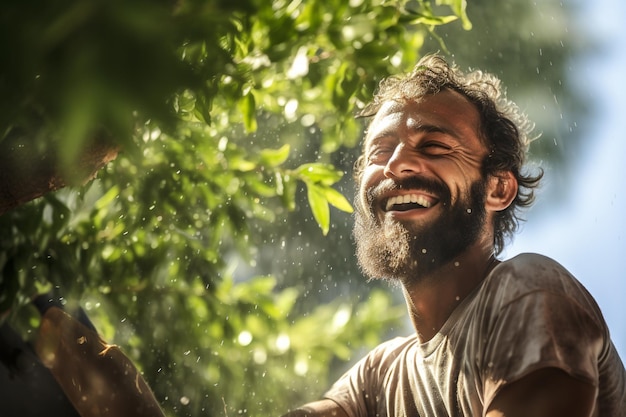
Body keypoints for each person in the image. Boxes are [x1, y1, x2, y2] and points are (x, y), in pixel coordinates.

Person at [281, 54, 626, 416]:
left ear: (498, 189)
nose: (396, 164)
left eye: (434, 146)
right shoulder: (378, 379)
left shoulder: (529, 289)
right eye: (379, 153)